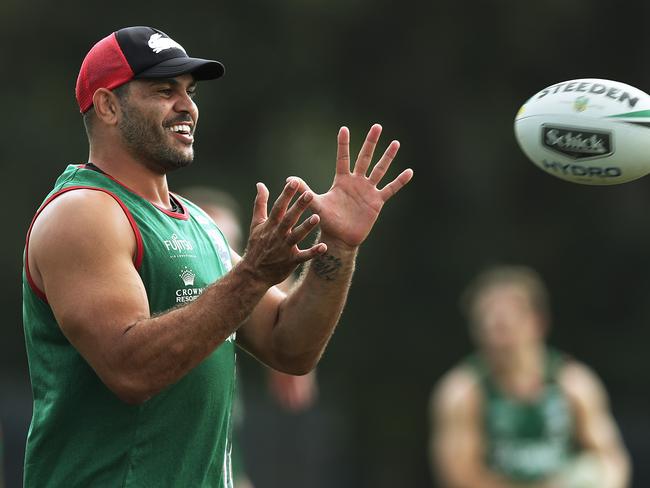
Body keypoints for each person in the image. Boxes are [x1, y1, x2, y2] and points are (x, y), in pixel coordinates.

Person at [21, 26, 412, 487]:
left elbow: (290, 345)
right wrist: (251, 276)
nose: (186, 105)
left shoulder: (198, 223)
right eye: (164, 91)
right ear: (107, 105)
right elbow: (131, 370)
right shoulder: (84, 212)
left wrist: (340, 247)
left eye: (189, 91)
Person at [429, 266, 631, 488]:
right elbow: (460, 477)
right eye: (485, 324)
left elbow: (611, 460)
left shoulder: (574, 384)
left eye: (504, 324)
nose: (495, 336)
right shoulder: (462, 392)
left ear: (537, 322)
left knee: (590, 474)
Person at [179, 187, 318, 488]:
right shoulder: (162, 321)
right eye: (213, 245)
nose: (225, 263)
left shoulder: (227, 338)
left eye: (231, 248)